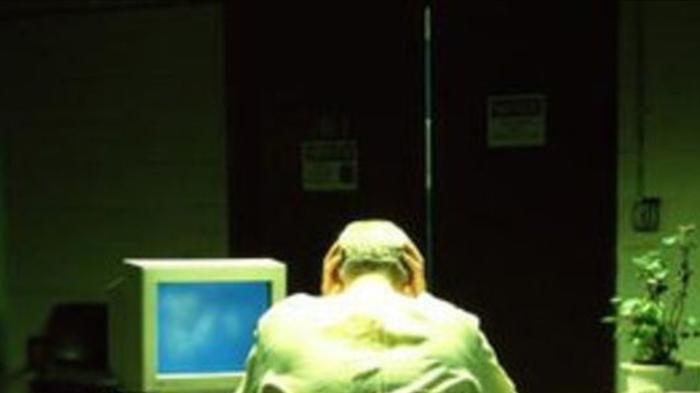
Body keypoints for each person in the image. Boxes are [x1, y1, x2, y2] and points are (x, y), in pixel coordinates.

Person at [236, 219, 517, 393]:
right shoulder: (455, 326)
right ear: (410, 271)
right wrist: (424, 302)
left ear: (334, 271)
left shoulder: (283, 323)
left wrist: (327, 300)